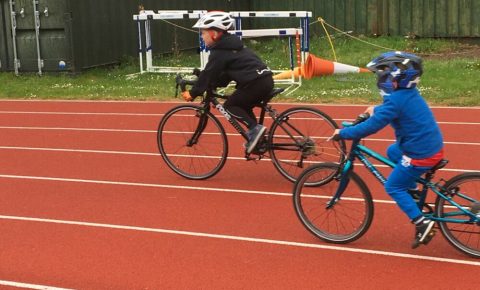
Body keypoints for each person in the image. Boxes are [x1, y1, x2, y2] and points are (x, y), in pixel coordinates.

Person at [331, 51, 444, 249]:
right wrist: (375, 109)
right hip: (429, 147)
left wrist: (344, 133)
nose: (381, 78)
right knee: (393, 151)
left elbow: (371, 127)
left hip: (420, 155)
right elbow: (390, 110)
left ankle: (422, 223)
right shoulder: (407, 95)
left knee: (393, 186)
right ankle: (413, 190)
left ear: (394, 78)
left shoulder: (395, 101)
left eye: (383, 74)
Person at [182, 11, 274, 153]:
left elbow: (209, 73)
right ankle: (257, 138)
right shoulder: (232, 46)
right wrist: (209, 81)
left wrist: (193, 93)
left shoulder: (220, 52)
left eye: (203, 33)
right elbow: (224, 75)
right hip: (264, 80)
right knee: (242, 104)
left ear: (214, 33)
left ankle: (255, 131)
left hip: (255, 84)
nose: (202, 36)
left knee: (230, 105)